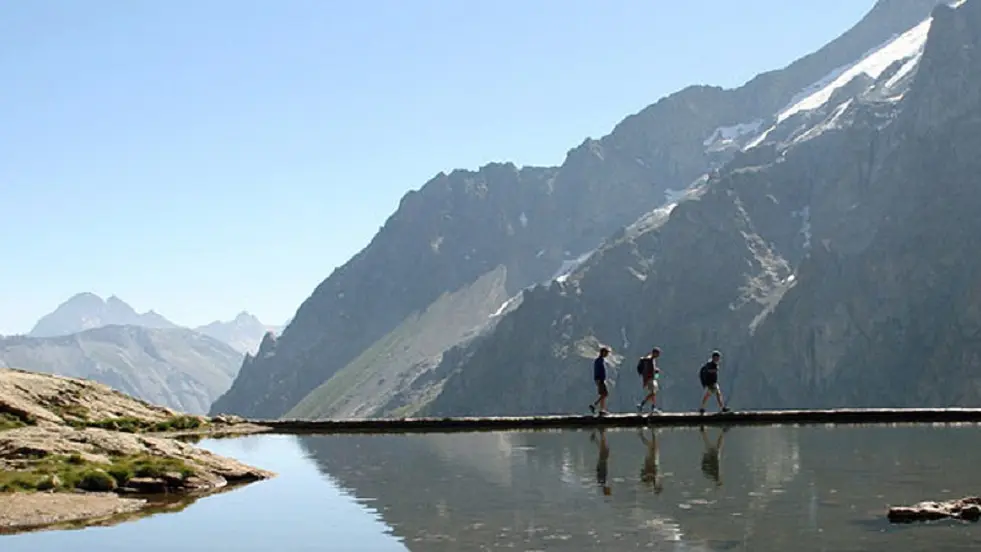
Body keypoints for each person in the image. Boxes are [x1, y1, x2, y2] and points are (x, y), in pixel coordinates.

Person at [698, 350, 730, 414]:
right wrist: (715, 370)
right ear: (714, 357)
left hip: (713, 383)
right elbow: (709, 371)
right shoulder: (710, 364)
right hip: (711, 383)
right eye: (717, 357)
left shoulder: (713, 364)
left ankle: (702, 408)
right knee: (716, 395)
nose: (718, 359)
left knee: (709, 395)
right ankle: (722, 407)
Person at [636, 347, 662, 413]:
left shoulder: (652, 359)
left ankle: (653, 407)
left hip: (651, 378)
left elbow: (651, 369)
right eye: (658, 354)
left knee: (653, 393)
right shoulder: (649, 359)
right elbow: (646, 370)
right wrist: (646, 380)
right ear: (654, 353)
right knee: (653, 392)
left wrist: (656, 371)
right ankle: (642, 404)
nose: (658, 355)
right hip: (649, 379)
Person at [589, 346, 611, 415]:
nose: (607, 354)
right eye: (606, 353)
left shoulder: (600, 360)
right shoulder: (599, 361)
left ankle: (602, 410)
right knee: (605, 394)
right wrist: (598, 379)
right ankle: (594, 405)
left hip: (600, 379)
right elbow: (597, 371)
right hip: (600, 380)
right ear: (603, 352)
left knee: (603, 394)